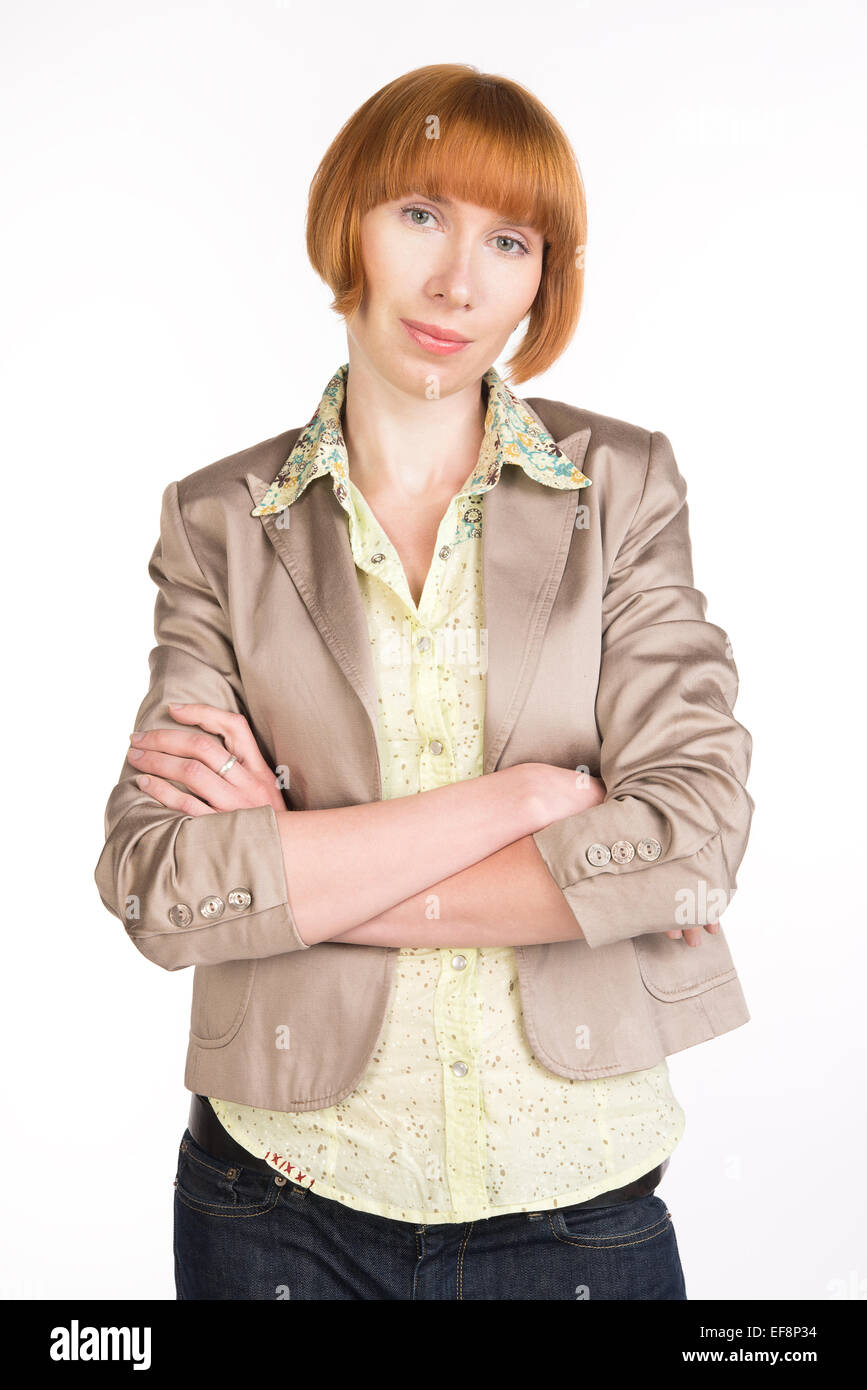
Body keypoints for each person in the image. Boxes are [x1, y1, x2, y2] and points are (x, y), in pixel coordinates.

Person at [94, 63, 754, 1301]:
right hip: (276, 1200)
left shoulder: (621, 486)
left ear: (541, 279)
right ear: (350, 220)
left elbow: (691, 848)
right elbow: (164, 892)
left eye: (509, 240)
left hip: (578, 1202)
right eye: (420, 216)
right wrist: (522, 804)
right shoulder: (218, 524)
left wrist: (293, 861)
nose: (459, 282)